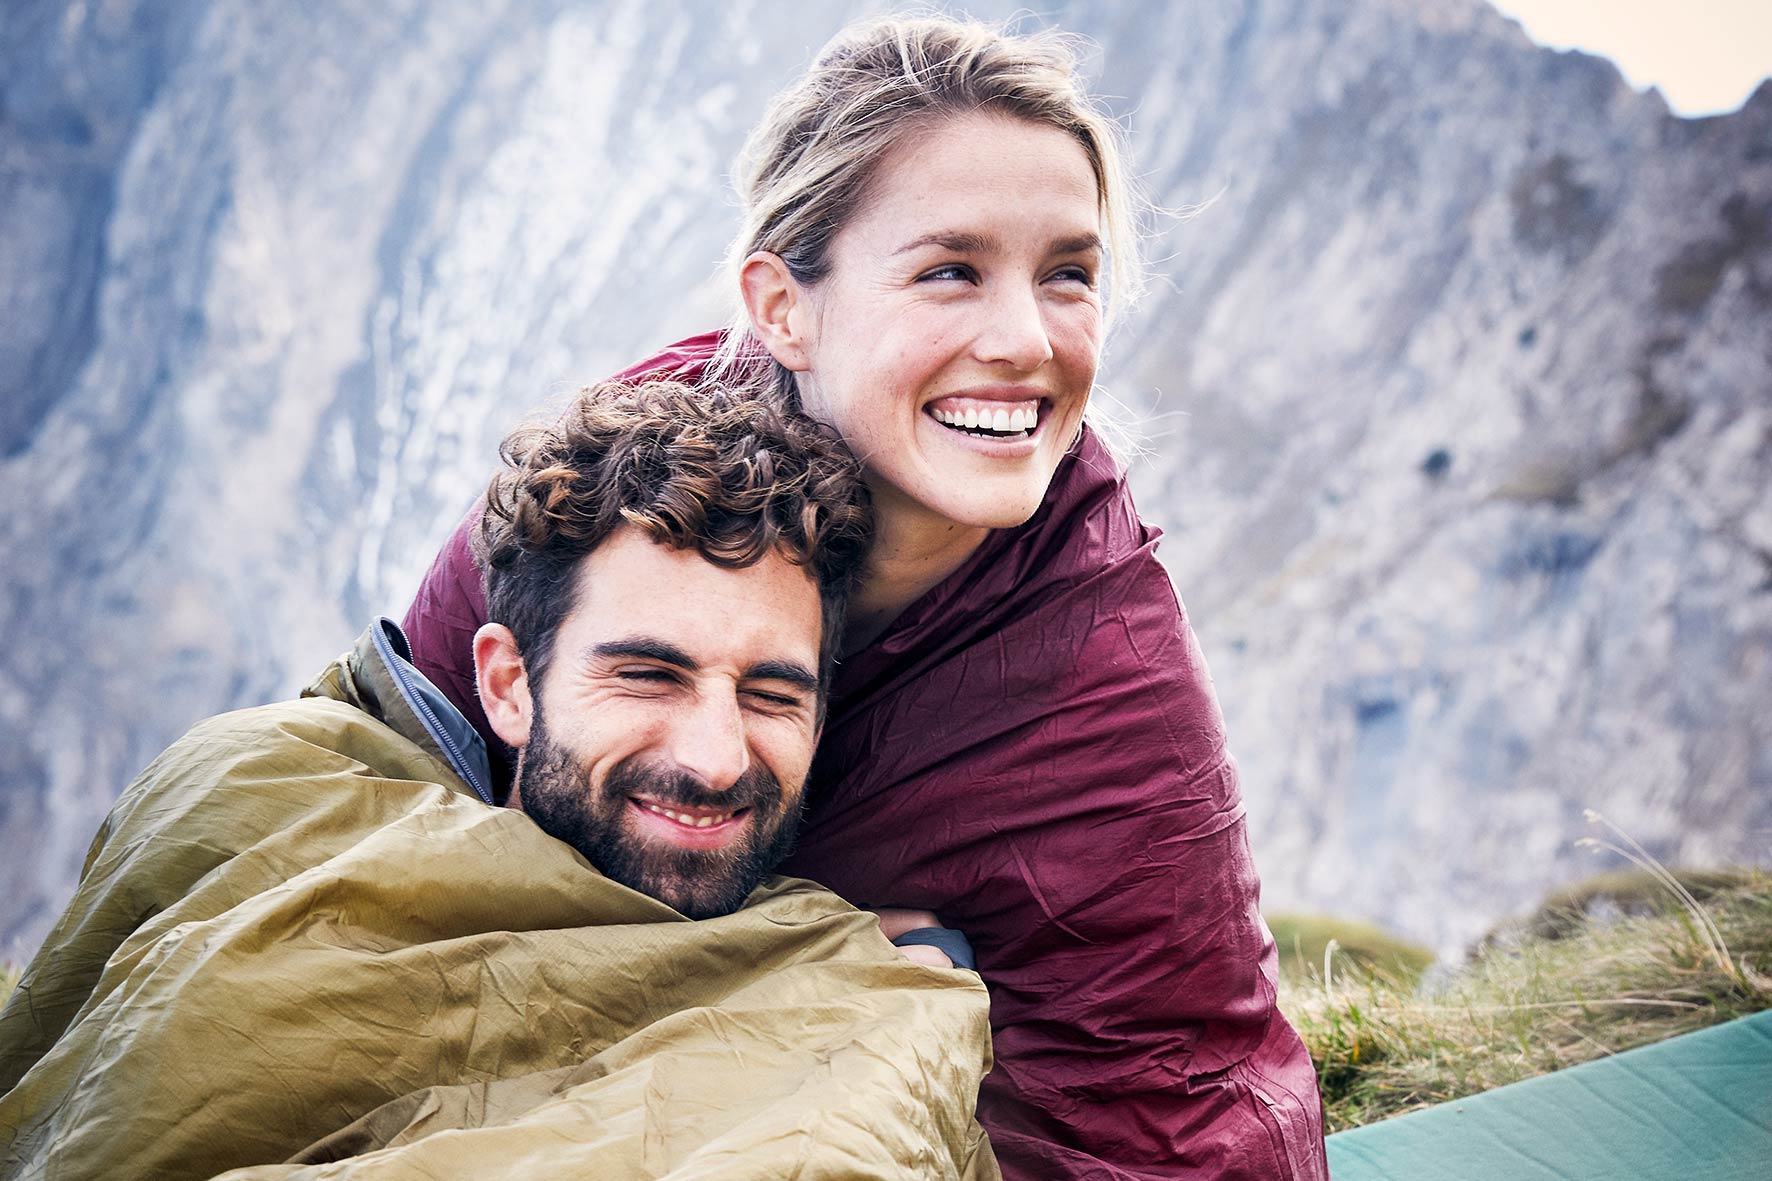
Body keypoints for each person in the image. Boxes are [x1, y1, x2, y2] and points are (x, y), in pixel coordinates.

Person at [403, 14, 1329, 1181]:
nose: (1023, 339)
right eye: (950, 270)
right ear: (783, 308)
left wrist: (853, 999)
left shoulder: (1100, 668)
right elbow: (386, 769)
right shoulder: (627, 465)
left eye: (1068, 277)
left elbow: (1175, 1106)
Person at [0, 382, 997, 1180]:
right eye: (647, 673)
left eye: (772, 695)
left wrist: (876, 1001)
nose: (713, 756)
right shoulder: (268, 798)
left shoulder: (866, 999)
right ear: (507, 683)